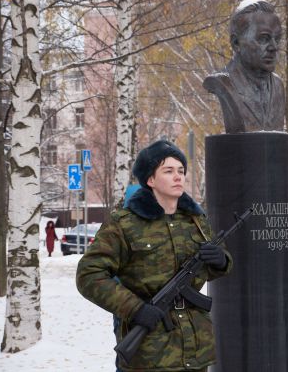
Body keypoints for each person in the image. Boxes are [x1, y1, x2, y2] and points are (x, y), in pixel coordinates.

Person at [76, 140, 232, 372]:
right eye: (168, 171)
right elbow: (89, 275)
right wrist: (135, 309)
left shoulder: (195, 221)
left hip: (196, 348)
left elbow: (212, 266)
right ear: (150, 180)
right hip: (150, 351)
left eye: (181, 171)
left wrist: (221, 261)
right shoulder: (124, 223)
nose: (178, 177)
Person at [203, 0, 285, 133]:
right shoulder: (224, 83)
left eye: (277, 39)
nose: (274, 47)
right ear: (236, 43)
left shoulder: (278, 86)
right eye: (264, 38)